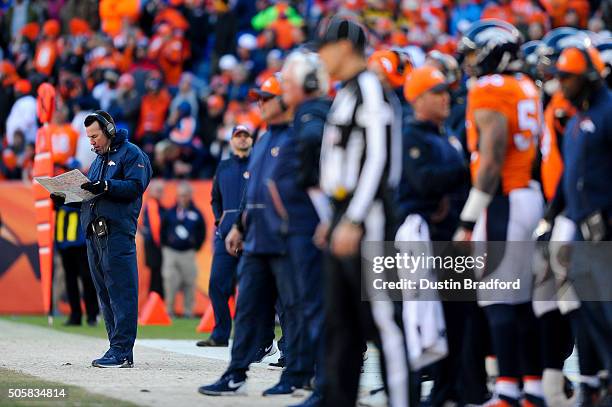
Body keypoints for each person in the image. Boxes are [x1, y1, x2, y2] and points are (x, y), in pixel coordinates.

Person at [316, 17, 409, 407]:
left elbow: (379, 158)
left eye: (324, 47)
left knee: (385, 321)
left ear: (343, 46)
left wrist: (353, 217)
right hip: (344, 214)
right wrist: (330, 217)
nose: (320, 56)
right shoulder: (346, 92)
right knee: (341, 325)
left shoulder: (370, 88)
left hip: (367, 216)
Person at [455, 20, 545, 406]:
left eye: (476, 52)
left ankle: (508, 390)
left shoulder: (489, 89)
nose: (471, 62)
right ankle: (532, 388)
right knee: (523, 300)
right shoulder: (526, 86)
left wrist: (466, 220)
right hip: (529, 195)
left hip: (503, 199)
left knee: (497, 298)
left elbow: (491, 161)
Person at [198, 75, 304, 397]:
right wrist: (238, 227)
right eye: (259, 99)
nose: (261, 104)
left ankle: (295, 371)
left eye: (267, 98)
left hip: (285, 237)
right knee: (247, 306)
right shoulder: (264, 141)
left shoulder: (298, 138)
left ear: (285, 100)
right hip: (256, 237)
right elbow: (251, 191)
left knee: (290, 305)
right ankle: (236, 372)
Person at [50, 110, 152, 368]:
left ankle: (122, 352)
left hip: (116, 233)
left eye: (95, 135)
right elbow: (93, 199)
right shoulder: (98, 161)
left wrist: (106, 186)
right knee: (105, 295)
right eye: (88, 138)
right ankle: (114, 347)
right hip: (94, 235)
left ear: (108, 129)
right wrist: (67, 200)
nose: (92, 142)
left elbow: (135, 187)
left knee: (121, 292)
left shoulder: (131, 153)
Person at [554, 44, 612, 405]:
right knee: (585, 312)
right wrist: (552, 217)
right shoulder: (576, 120)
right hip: (579, 231)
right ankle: (597, 383)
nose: (562, 84)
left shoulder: (608, 113)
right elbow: (568, 177)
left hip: (605, 234)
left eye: (567, 77)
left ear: (588, 75)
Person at [276, 49, 332, 407]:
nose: (283, 88)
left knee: (316, 306)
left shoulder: (311, 114)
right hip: (316, 223)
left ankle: (324, 385)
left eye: (286, 82)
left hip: (315, 226)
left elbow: (313, 143)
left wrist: (324, 212)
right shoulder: (317, 111)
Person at [197, 124, 252, 347]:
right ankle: (220, 335)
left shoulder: (256, 163)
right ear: (231, 141)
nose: (242, 139)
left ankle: (250, 337)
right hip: (226, 233)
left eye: (246, 136)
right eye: (238, 136)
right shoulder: (224, 166)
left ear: (251, 140)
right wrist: (220, 219)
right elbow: (215, 198)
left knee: (251, 288)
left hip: (252, 234)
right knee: (217, 284)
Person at [54, 188, 100, 327]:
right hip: (64, 245)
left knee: (87, 280)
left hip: (80, 245)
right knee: (71, 282)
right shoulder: (60, 201)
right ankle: (75, 315)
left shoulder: (79, 199)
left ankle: (92, 315)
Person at [161, 181, 206, 318]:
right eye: (180, 195)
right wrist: (167, 244)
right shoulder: (170, 212)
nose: (182, 198)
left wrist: (195, 246)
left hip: (188, 252)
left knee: (189, 282)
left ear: (190, 196)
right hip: (171, 252)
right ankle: (169, 311)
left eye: (185, 195)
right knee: (170, 281)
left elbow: (202, 232)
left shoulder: (197, 213)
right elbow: (162, 230)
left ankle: (188, 311)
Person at [140, 179, 165, 298]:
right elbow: (154, 228)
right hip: (153, 245)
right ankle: (154, 301)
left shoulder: (156, 206)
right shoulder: (151, 205)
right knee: (155, 275)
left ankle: (155, 301)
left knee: (156, 275)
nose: (161, 193)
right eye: (158, 191)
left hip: (153, 244)